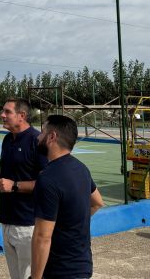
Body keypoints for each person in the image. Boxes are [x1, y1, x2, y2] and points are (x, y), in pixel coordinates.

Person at [31, 114, 104, 279]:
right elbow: (97, 202)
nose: (38, 137)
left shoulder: (47, 178)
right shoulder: (81, 169)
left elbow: (42, 238)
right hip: (82, 266)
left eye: (42, 132)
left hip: (59, 270)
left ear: (52, 137)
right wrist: (72, 224)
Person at [0, 98, 47, 279]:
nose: (2, 115)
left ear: (22, 116)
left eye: (7, 112)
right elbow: (10, 171)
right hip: (6, 221)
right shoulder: (7, 140)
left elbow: (46, 184)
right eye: (2, 111)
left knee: (29, 276)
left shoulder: (37, 141)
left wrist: (14, 186)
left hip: (28, 225)